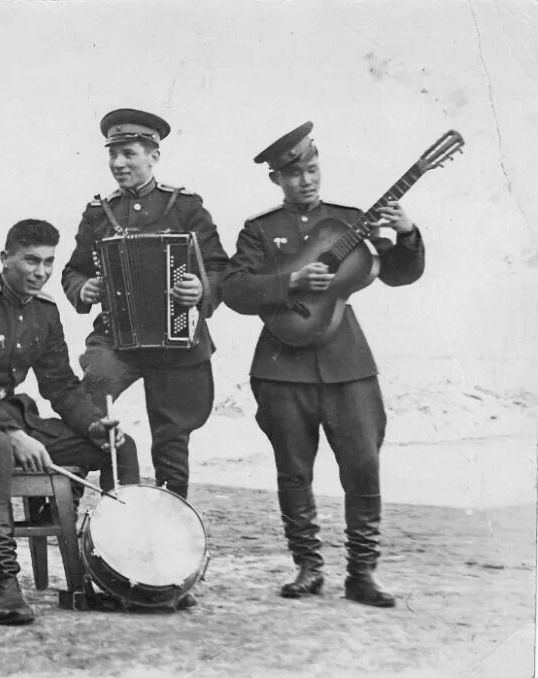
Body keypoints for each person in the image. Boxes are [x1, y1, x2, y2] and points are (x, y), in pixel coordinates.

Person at [222, 122, 425, 608]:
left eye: (312, 170)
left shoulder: (351, 221)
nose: (306, 181)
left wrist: (407, 232)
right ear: (277, 179)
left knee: (363, 466)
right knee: (293, 471)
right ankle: (308, 567)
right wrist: (289, 281)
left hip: (347, 364)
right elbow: (234, 288)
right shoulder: (260, 231)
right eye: (294, 175)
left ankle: (363, 573)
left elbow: (399, 274)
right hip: (280, 366)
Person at [0, 219, 139, 626]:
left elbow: (60, 385)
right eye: (30, 260)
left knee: (119, 446)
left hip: (12, 420)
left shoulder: (45, 311)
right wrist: (13, 433)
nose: (40, 272)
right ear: (5, 258)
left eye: (48, 262)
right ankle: (1, 580)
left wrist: (94, 424)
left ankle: (120, 566)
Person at [61, 108, 229, 500]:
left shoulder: (186, 207)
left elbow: (221, 268)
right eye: (113, 154)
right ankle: (73, 506)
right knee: (89, 402)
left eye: (129, 153)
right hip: (118, 340)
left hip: (176, 345)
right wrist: (83, 288)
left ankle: (172, 522)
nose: (118, 163)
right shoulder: (98, 212)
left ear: (153, 155)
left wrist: (200, 290)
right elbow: (74, 271)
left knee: (171, 438)